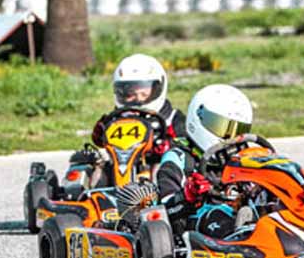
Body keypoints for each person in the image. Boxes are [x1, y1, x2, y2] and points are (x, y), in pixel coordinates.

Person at [69, 54, 186, 188]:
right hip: (117, 173)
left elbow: (186, 144)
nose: (137, 99)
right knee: (88, 164)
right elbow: (97, 138)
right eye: (131, 94)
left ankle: (161, 193)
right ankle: (89, 196)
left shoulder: (174, 118)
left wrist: (168, 145)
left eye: (143, 94)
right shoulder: (115, 120)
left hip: (158, 172)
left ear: (157, 89)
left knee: (165, 163)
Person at [156, 83, 254, 240]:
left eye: (238, 130)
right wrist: (187, 195)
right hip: (196, 222)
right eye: (223, 128)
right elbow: (164, 209)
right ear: (199, 118)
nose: (231, 137)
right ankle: (240, 233)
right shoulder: (179, 157)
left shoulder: (241, 157)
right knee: (219, 216)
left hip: (240, 211)